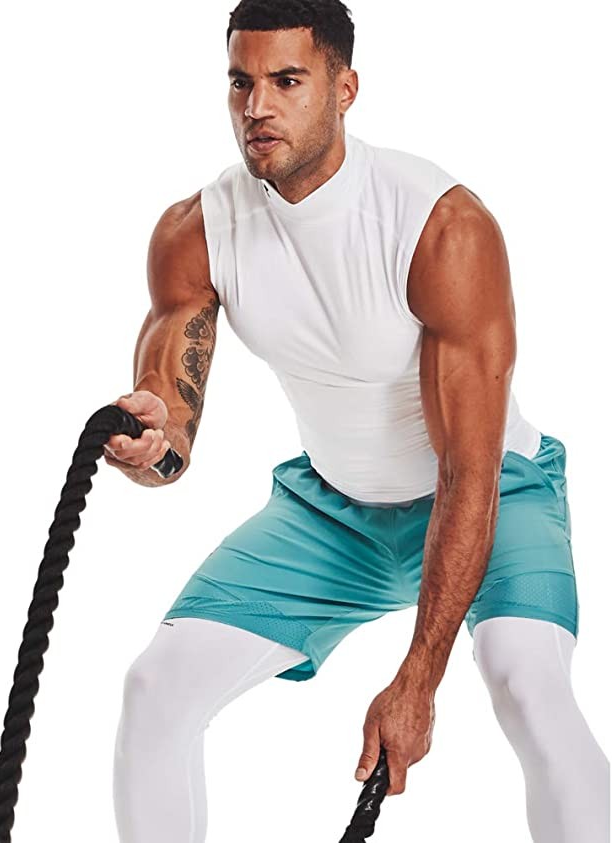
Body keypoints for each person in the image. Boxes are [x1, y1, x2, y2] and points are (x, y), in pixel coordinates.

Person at [103, 1, 610, 841]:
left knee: (525, 680)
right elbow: (172, 420)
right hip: (332, 511)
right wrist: (153, 442)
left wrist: (417, 678)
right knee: (155, 688)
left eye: (286, 81)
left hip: (488, 492)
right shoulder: (196, 232)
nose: (256, 106)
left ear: (343, 89)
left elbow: (468, 469)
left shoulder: (438, 226)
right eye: (240, 82)